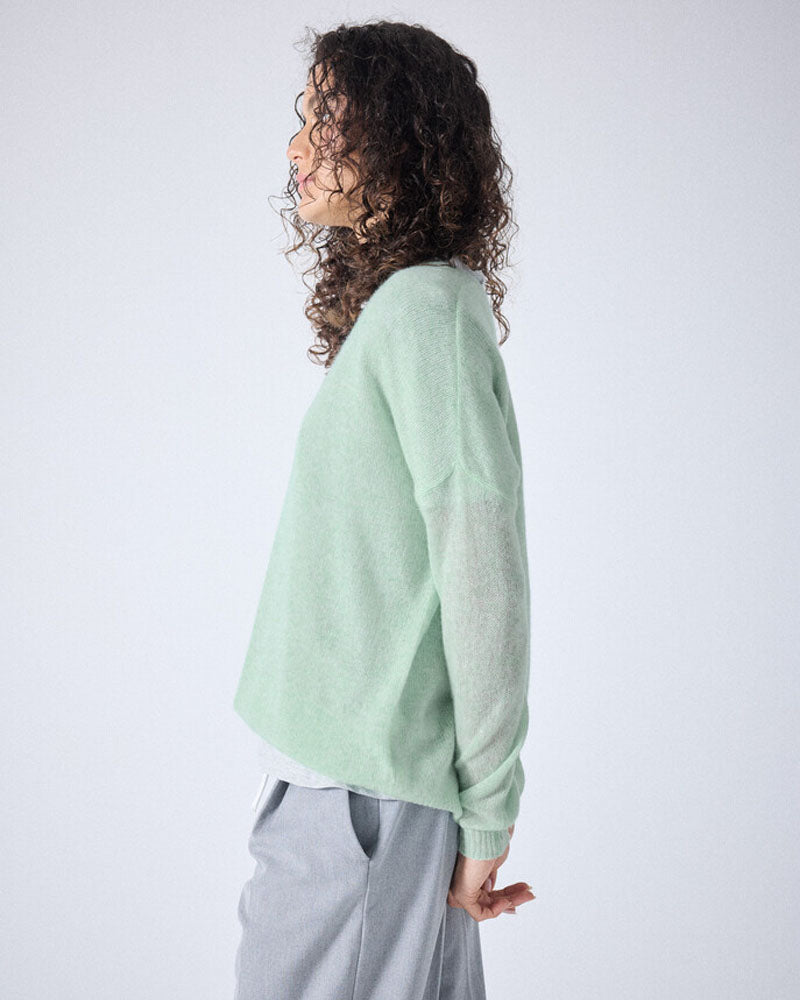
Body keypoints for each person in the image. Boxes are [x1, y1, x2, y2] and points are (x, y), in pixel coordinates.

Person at [232, 20, 535, 1000]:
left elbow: (481, 566)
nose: (296, 144)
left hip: (363, 803)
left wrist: (487, 813)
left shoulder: (424, 313)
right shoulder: (405, 312)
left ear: (397, 137)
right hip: (352, 793)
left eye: (325, 117)